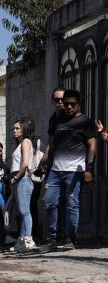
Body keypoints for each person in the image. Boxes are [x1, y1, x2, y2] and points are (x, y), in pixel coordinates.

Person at [40, 89, 97, 251]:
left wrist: (89, 168)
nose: (69, 107)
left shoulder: (85, 121)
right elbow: (51, 143)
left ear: (78, 103)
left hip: (74, 171)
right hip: (55, 171)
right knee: (50, 203)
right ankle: (52, 239)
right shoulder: (57, 121)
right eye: (66, 104)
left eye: (73, 104)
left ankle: (70, 240)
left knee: (72, 205)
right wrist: (42, 163)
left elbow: (92, 146)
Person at [7, 118, 39, 253]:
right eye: (14, 128)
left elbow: (25, 163)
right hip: (21, 179)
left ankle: (28, 240)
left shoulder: (26, 142)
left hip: (22, 178)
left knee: (25, 211)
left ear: (24, 129)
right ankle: (22, 240)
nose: (14, 130)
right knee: (21, 211)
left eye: (17, 128)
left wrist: (16, 177)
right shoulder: (22, 143)